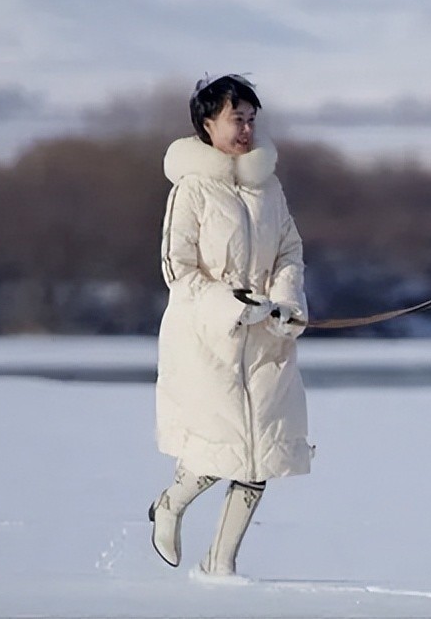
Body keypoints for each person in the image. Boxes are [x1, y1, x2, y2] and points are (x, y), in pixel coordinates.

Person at [148, 74, 312, 579]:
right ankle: (170, 505)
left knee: (261, 453)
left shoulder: (269, 188)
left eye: (251, 119)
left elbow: (289, 251)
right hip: (208, 343)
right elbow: (177, 270)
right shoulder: (191, 189)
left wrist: (285, 301)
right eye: (235, 119)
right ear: (207, 124)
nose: (245, 129)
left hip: (266, 344)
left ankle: (220, 565)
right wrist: (231, 305)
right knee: (217, 449)